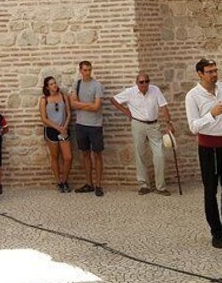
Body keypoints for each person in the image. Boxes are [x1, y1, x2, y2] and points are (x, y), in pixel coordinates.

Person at [185, 58, 222, 249]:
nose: (214, 74)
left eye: (215, 70)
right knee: (210, 191)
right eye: (209, 71)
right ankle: (216, 232)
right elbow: (193, 127)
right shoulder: (192, 96)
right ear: (200, 74)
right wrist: (211, 114)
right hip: (208, 149)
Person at [112, 72, 174, 196]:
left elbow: (163, 107)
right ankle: (144, 185)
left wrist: (168, 123)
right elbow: (113, 100)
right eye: (141, 82)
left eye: (147, 81)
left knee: (159, 154)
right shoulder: (130, 92)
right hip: (138, 125)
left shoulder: (155, 90)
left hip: (154, 125)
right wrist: (126, 111)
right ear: (137, 83)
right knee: (140, 154)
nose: (144, 84)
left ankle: (160, 187)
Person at [68, 60, 107, 197]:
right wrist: (88, 105)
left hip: (95, 125)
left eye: (89, 69)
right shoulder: (76, 84)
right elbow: (72, 104)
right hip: (81, 125)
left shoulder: (97, 85)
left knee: (97, 154)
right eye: (85, 70)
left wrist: (81, 104)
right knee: (85, 154)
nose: (88, 72)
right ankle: (89, 183)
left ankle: (98, 185)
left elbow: (97, 107)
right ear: (80, 70)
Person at [39, 76, 72, 193]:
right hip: (51, 130)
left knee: (68, 157)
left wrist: (65, 126)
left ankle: (65, 180)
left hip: (64, 129)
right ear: (47, 87)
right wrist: (57, 127)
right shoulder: (44, 100)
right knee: (55, 156)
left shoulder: (63, 96)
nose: (54, 85)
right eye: (51, 84)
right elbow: (44, 118)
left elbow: (68, 113)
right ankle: (59, 182)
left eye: (55, 83)